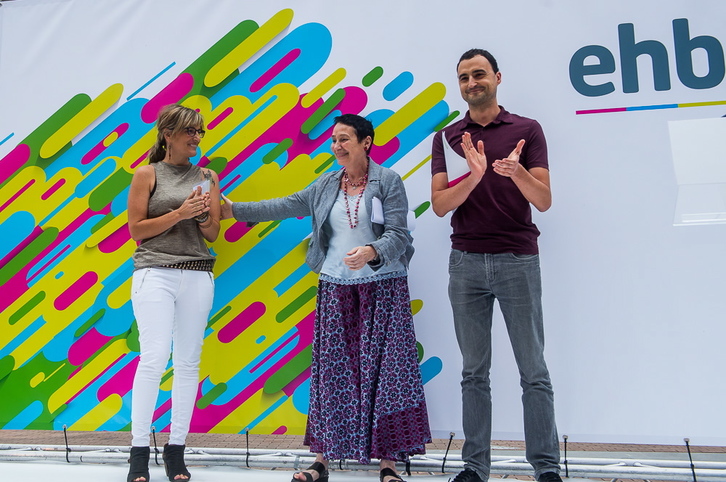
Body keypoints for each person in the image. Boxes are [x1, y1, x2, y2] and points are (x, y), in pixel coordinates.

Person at [221, 114, 431, 482]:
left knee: (387, 373)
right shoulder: (325, 185)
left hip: (383, 287)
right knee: (333, 374)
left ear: (366, 142)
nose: (336, 146)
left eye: (344, 139)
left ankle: (389, 463)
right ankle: (322, 460)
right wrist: (234, 210)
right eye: (334, 140)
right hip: (335, 287)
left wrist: (371, 251)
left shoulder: (388, 181)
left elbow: (399, 234)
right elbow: (285, 205)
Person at [430, 49, 562, 482]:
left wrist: (514, 172)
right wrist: (474, 174)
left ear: (498, 78)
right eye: (464, 77)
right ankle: (474, 468)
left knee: (533, 371)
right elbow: (439, 206)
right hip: (465, 264)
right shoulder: (448, 138)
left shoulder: (527, 130)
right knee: (473, 373)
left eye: (479, 74)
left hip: (517, 262)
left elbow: (542, 200)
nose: (472, 82)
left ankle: (546, 469)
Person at [126, 104, 221, 482]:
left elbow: (213, 233)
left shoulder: (209, 176)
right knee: (152, 359)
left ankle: (175, 450)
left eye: (200, 132)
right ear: (168, 134)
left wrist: (199, 216)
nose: (196, 139)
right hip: (154, 274)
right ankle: (137, 453)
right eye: (190, 132)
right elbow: (136, 230)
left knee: (188, 363)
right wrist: (180, 214)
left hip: (197, 274)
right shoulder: (146, 174)